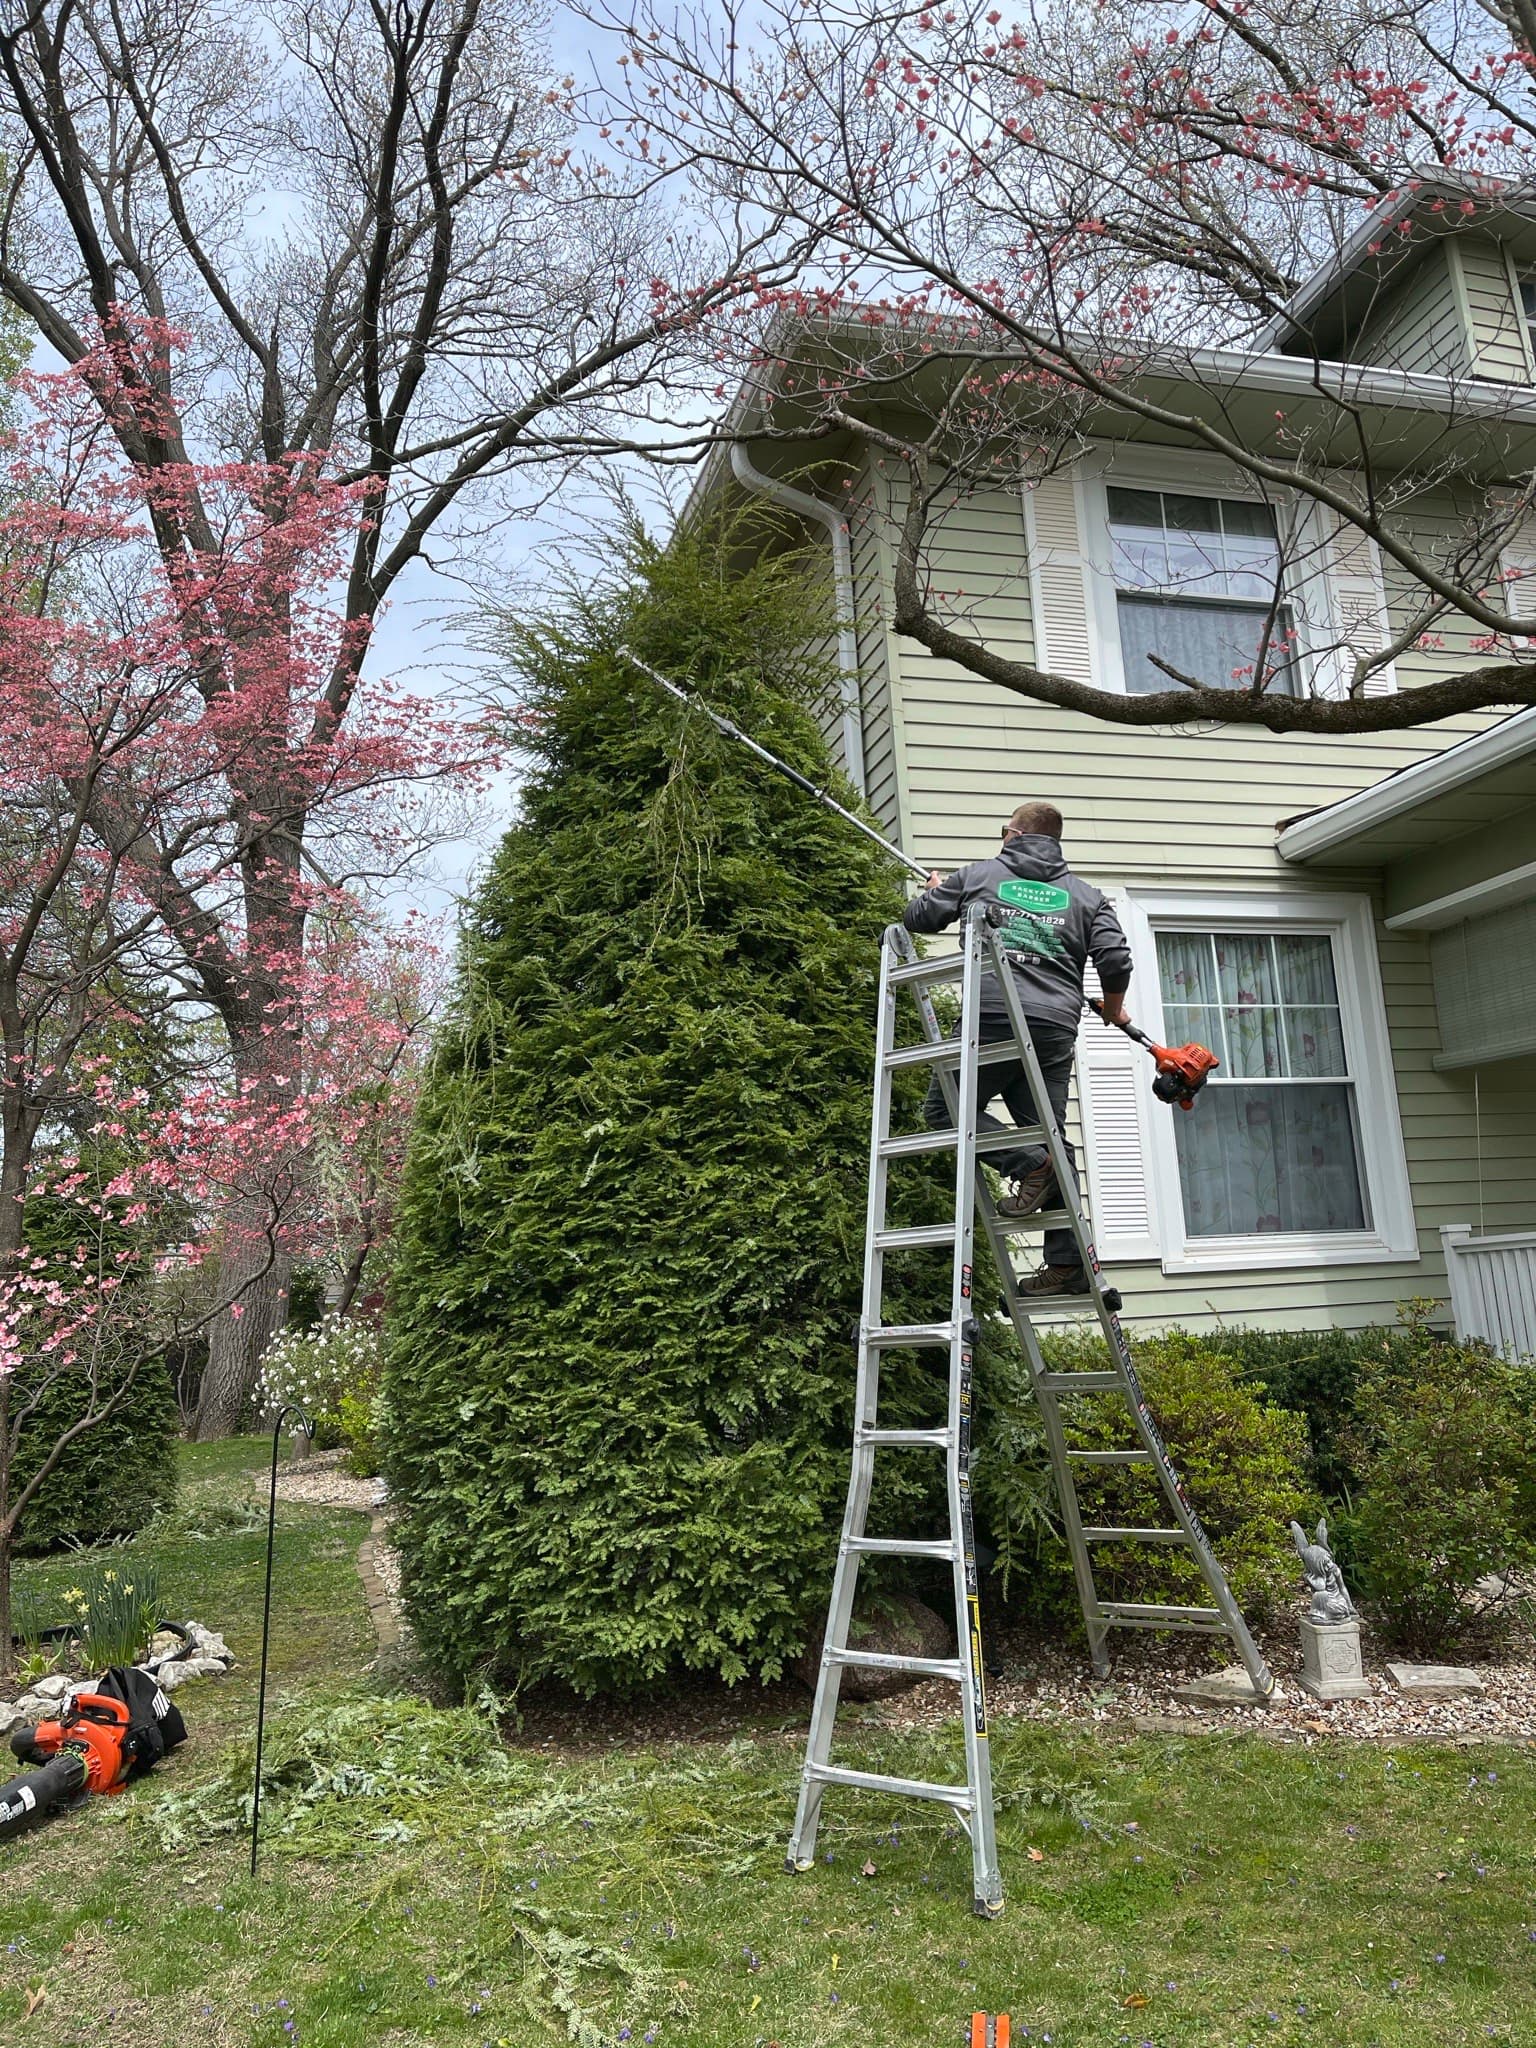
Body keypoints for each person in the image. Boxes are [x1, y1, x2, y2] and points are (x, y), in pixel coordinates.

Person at [901, 800, 1132, 1297]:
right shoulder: (1086, 897)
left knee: (945, 1111)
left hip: (991, 1017)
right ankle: (1068, 1263)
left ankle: (1030, 1165)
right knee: (1050, 1132)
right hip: (1052, 1028)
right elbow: (1115, 959)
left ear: (1011, 833)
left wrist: (936, 892)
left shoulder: (978, 876)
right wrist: (1114, 1008)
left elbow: (919, 919)